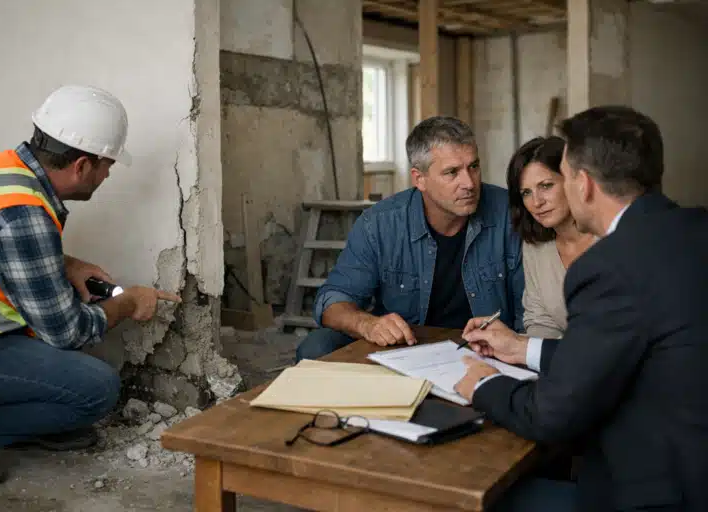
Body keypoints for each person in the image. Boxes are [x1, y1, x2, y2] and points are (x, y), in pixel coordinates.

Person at [455, 105, 708, 511]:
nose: (538, 201)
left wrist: (484, 385)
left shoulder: (610, 266)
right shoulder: (694, 228)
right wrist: (522, 348)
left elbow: (551, 414)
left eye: (559, 178)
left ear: (583, 184)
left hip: (658, 492)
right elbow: (618, 351)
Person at [0, 85, 181, 490]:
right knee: (96, 389)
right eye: (108, 165)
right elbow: (68, 332)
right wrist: (129, 303)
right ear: (82, 165)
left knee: (61, 350)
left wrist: (68, 265)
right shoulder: (23, 216)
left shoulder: (3, 172)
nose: (108, 175)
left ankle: (13, 421)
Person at [296, 115, 525, 362]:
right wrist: (368, 324)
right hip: (405, 349)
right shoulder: (379, 224)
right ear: (419, 179)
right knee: (317, 347)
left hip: (486, 350)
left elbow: (530, 313)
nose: (469, 183)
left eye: (474, 166)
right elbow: (332, 300)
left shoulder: (509, 214)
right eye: (452, 172)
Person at [506, 136, 595, 338]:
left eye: (546, 186)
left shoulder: (611, 236)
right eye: (526, 192)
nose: (536, 202)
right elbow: (540, 321)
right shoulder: (535, 246)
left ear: (574, 181)